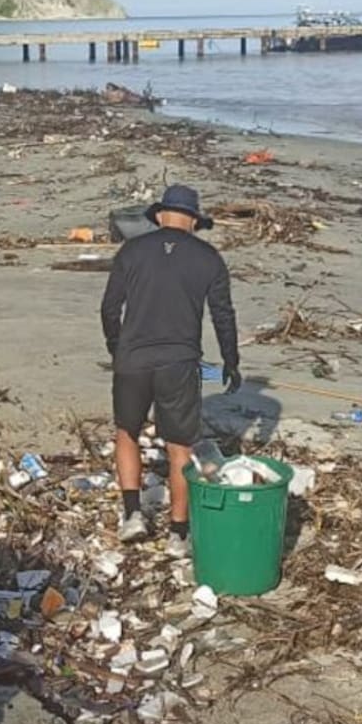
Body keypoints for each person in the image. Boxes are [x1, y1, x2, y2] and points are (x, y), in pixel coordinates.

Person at [100, 184, 241, 548]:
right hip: (179, 362)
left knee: (127, 432)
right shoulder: (209, 258)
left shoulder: (132, 251)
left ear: (160, 215)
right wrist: (231, 361)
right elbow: (223, 315)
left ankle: (132, 515)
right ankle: (178, 534)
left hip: (132, 358)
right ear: (194, 221)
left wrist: (118, 349)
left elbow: (109, 308)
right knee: (180, 446)